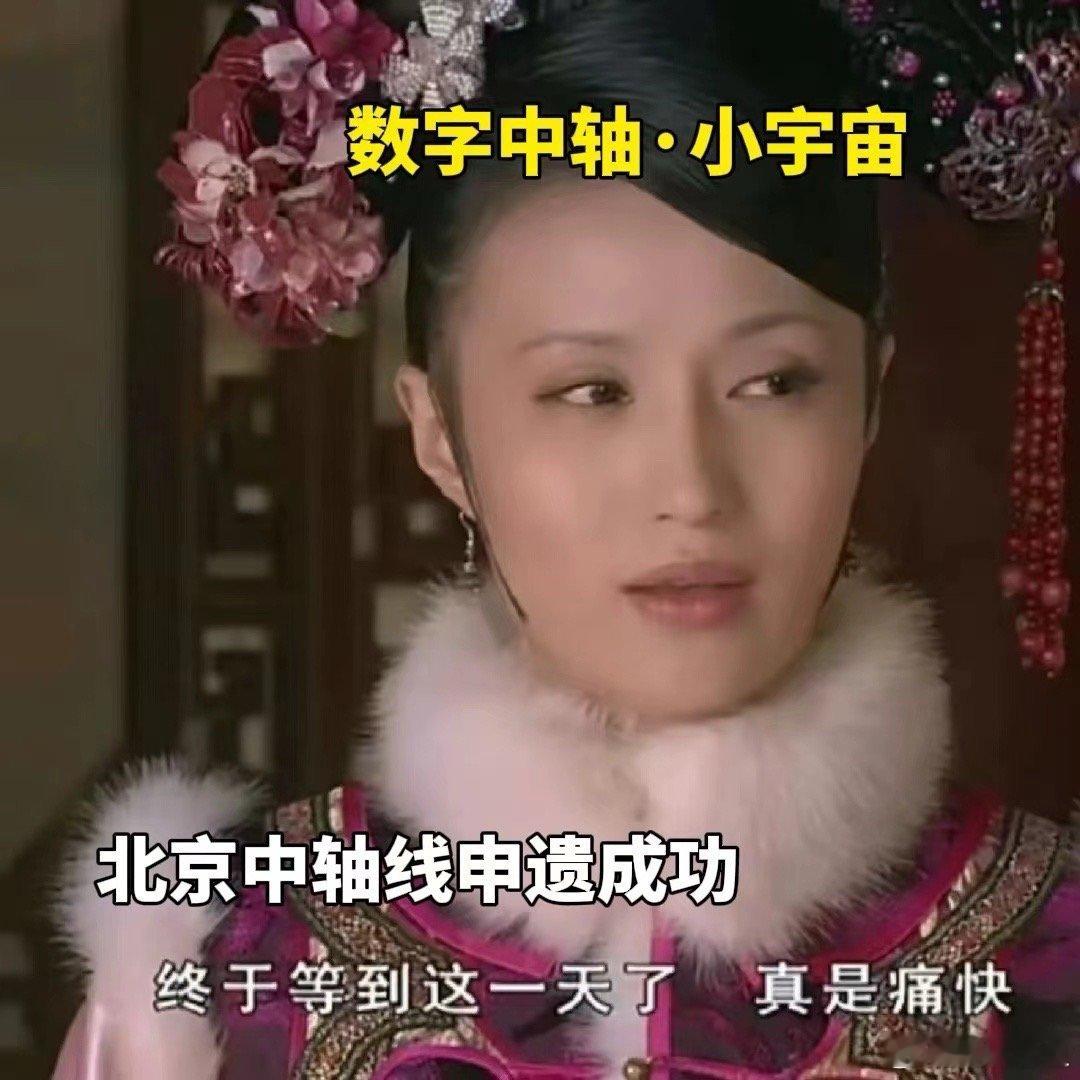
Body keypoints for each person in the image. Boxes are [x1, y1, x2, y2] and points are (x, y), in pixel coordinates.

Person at [50, 1, 1079, 1077]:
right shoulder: (213, 966)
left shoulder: (1048, 950)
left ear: (868, 403)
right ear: (440, 435)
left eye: (775, 383)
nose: (691, 487)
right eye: (592, 391)